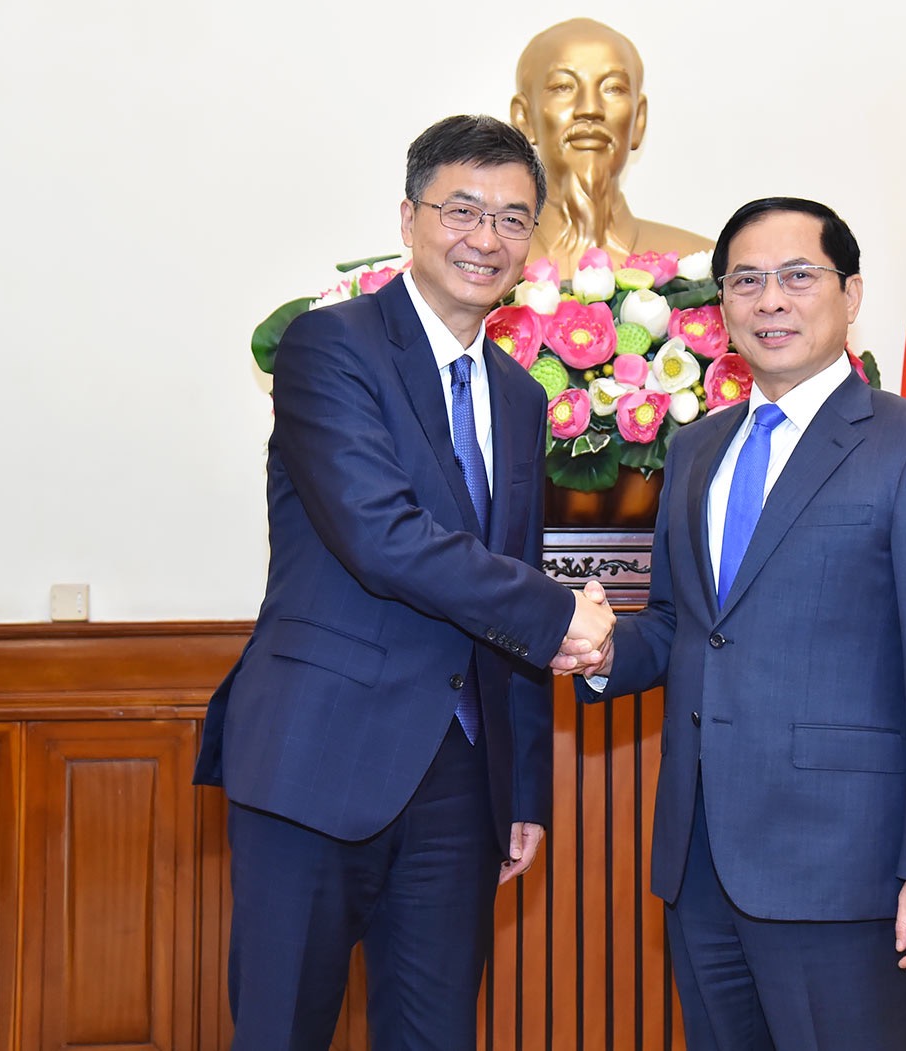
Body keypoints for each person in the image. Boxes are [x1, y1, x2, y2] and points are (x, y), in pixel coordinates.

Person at [194, 114, 615, 1051]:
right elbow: (381, 536)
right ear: (409, 218)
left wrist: (523, 789)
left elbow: (511, 575)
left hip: (461, 779)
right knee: (281, 1031)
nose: (486, 238)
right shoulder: (329, 347)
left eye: (513, 219)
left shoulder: (520, 395)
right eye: (461, 210)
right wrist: (561, 615)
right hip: (315, 757)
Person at [560, 198, 906, 1049]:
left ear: (851, 293)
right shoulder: (695, 448)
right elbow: (685, 625)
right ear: (722, 304)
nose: (771, 300)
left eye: (798, 276)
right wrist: (604, 646)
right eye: (746, 281)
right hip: (700, 861)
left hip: (843, 869)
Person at [510, 17, 713, 276]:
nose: (590, 108)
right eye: (563, 87)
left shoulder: (702, 268)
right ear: (524, 118)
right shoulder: (492, 269)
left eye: (613, 88)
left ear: (638, 120)